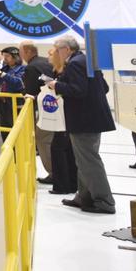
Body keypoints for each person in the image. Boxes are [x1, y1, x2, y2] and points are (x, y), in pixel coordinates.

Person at [47, 35, 116, 214]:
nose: (55, 53)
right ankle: (83, 196)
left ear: (66, 50)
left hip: (84, 120)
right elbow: (104, 88)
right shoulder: (88, 60)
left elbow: (78, 90)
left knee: (89, 161)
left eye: (56, 49)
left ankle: (104, 201)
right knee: (84, 160)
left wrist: (57, 85)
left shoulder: (75, 63)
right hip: (91, 119)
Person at [20, 41, 56, 184]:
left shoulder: (31, 67)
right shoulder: (44, 62)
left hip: (46, 110)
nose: (20, 55)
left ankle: (53, 173)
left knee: (43, 140)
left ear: (28, 52)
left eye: (21, 51)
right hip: (55, 108)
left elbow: (31, 92)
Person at [45, 45, 77, 195]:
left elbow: (73, 89)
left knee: (60, 148)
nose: (49, 57)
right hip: (62, 116)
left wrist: (56, 85)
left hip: (66, 117)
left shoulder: (68, 68)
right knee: (64, 149)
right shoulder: (57, 70)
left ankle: (64, 185)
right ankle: (68, 184)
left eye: (52, 54)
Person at [0, 46, 25, 143]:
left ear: (16, 57)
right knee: (4, 129)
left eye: (7, 56)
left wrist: (2, 74)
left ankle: (17, 153)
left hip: (15, 103)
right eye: (4, 56)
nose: (4, 59)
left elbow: (18, 83)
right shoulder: (5, 68)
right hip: (3, 103)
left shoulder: (22, 69)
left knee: (15, 130)